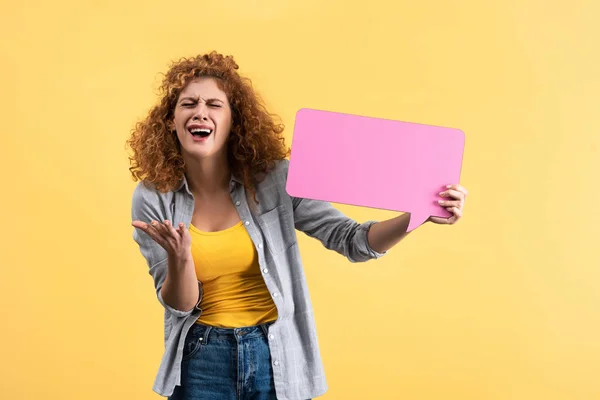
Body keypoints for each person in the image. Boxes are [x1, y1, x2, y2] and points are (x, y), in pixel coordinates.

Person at [127, 51, 468, 400]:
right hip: (201, 358)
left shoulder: (276, 179)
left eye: (214, 104)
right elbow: (179, 305)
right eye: (189, 104)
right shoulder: (154, 197)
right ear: (171, 120)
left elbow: (351, 240)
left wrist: (417, 216)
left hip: (275, 354)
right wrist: (180, 258)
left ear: (233, 121)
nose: (201, 111)